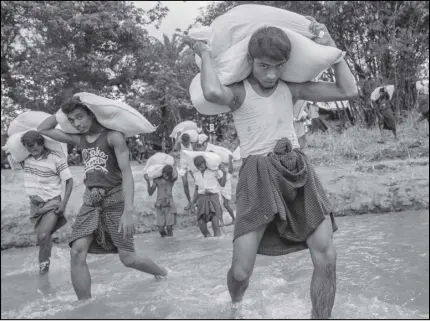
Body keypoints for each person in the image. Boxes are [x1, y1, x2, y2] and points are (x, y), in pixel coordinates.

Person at [192, 16, 358, 319]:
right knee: (241, 272)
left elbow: (348, 91)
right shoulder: (240, 92)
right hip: (257, 174)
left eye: (278, 66)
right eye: (264, 66)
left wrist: (333, 51)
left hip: (297, 169)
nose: (271, 74)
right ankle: (236, 305)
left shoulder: (291, 89)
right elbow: (213, 93)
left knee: (326, 255)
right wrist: (203, 52)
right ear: (250, 61)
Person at [37, 97, 167, 300]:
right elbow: (44, 129)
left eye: (80, 117)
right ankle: (85, 307)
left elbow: (127, 174)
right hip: (90, 202)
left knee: (128, 258)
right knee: (77, 251)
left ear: (91, 113)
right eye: (72, 120)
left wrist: (129, 211)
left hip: (115, 202)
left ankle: (162, 273)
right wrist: (61, 113)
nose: (77, 124)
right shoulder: (78, 139)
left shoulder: (113, 137)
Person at [7, 131, 74, 275]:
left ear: (41, 143)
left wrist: (64, 204)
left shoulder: (56, 158)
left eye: (35, 147)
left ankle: (43, 274)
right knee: (44, 238)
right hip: (35, 206)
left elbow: (69, 180)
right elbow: (11, 156)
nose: (33, 151)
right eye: (29, 148)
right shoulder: (26, 159)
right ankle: (48, 266)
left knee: (43, 236)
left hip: (52, 202)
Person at [191, 155, 227, 237]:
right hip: (202, 199)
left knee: (215, 223)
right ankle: (208, 241)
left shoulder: (214, 171)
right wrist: (192, 202)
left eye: (201, 164)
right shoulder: (196, 175)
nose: (200, 166)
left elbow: (222, 184)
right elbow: (196, 190)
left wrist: (224, 173)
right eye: (198, 165)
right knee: (201, 222)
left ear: (205, 163)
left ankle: (217, 243)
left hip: (213, 197)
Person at [144, 165, 178, 237]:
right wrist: (148, 182)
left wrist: (174, 165)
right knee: (161, 229)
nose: (167, 177)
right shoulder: (157, 180)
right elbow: (150, 193)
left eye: (168, 175)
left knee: (169, 228)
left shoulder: (171, 180)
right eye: (166, 175)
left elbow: (176, 175)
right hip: (160, 205)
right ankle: (166, 243)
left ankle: (170, 244)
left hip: (170, 205)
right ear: (162, 173)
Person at [173, 131, 196, 211]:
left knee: (197, 181)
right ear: (182, 141)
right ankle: (190, 202)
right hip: (183, 165)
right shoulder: (180, 144)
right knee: (185, 183)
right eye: (185, 142)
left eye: (187, 141)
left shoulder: (192, 144)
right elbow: (175, 149)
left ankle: (194, 201)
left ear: (189, 140)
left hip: (191, 164)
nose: (186, 143)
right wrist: (177, 138)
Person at [220, 154, 236, 225]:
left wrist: (230, 160)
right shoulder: (213, 168)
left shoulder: (222, 168)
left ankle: (233, 219)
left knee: (225, 204)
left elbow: (230, 171)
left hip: (225, 186)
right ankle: (222, 222)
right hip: (218, 186)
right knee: (219, 205)